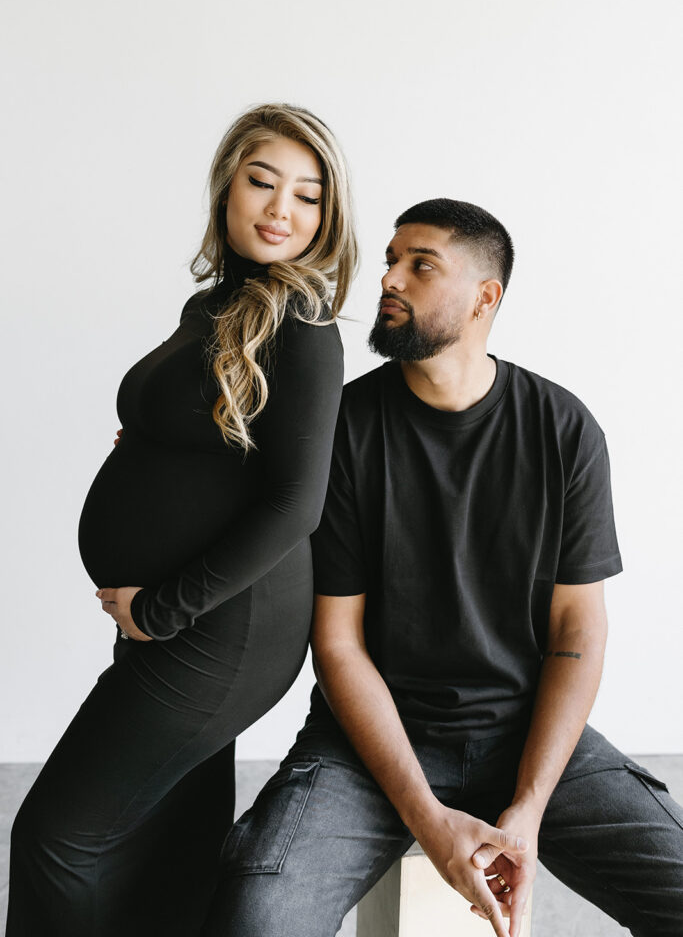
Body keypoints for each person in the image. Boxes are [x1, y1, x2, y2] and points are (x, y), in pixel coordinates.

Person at [202, 199, 683, 937]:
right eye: (391, 259)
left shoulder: (562, 428)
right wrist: (426, 819)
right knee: (255, 917)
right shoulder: (342, 428)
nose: (388, 278)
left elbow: (576, 628)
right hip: (365, 744)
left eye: (419, 265)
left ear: (485, 297)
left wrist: (526, 807)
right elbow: (337, 643)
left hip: (525, 729)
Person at [7, 103, 358, 937]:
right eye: (262, 181)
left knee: (58, 837)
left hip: (220, 625)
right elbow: (214, 434)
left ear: (327, 217)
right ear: (226, 189)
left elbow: (294, 504)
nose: (281, 209)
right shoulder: (217, 305)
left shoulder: (303, 326)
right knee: (163, 841)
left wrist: (160, 609)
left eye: (307, 196)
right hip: (188, 615)